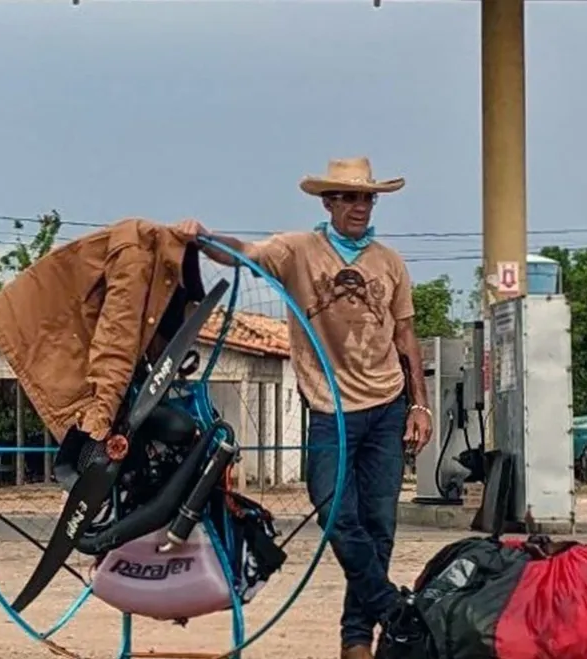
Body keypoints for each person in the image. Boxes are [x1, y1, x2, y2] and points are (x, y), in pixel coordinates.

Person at [179, 156, 433, 659]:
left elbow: (405, 334)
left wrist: (418, 405)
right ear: (329, 202)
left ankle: (356, 641)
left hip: (385, 401)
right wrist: (205, 238)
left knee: (379, 525)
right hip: (329, 405)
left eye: (367, 198)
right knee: (334, 509)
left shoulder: (389, 261)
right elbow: (245, 255)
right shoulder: (299, 251)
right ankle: (390, 609)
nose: (360, 207)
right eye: (350, 198)